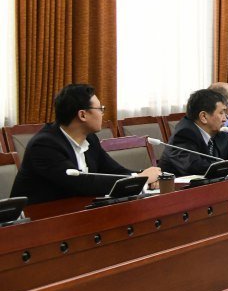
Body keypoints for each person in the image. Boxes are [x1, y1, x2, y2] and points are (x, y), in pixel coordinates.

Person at [11, 83, 162, 206]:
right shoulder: (45, 145)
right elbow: (81, 183)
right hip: (39, 221)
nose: (102, 114)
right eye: (100, 109)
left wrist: (143, 178)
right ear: (82, 115)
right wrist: (141, 179)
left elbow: (113, 170)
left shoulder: (90, 139)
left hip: (75, 212)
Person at [160, 89, 228, 176]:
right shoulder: (184, 135)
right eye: (221, 113)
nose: (225, 119)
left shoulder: (219, 133)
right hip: (178, 190)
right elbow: (194, 167)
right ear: (203, 117)